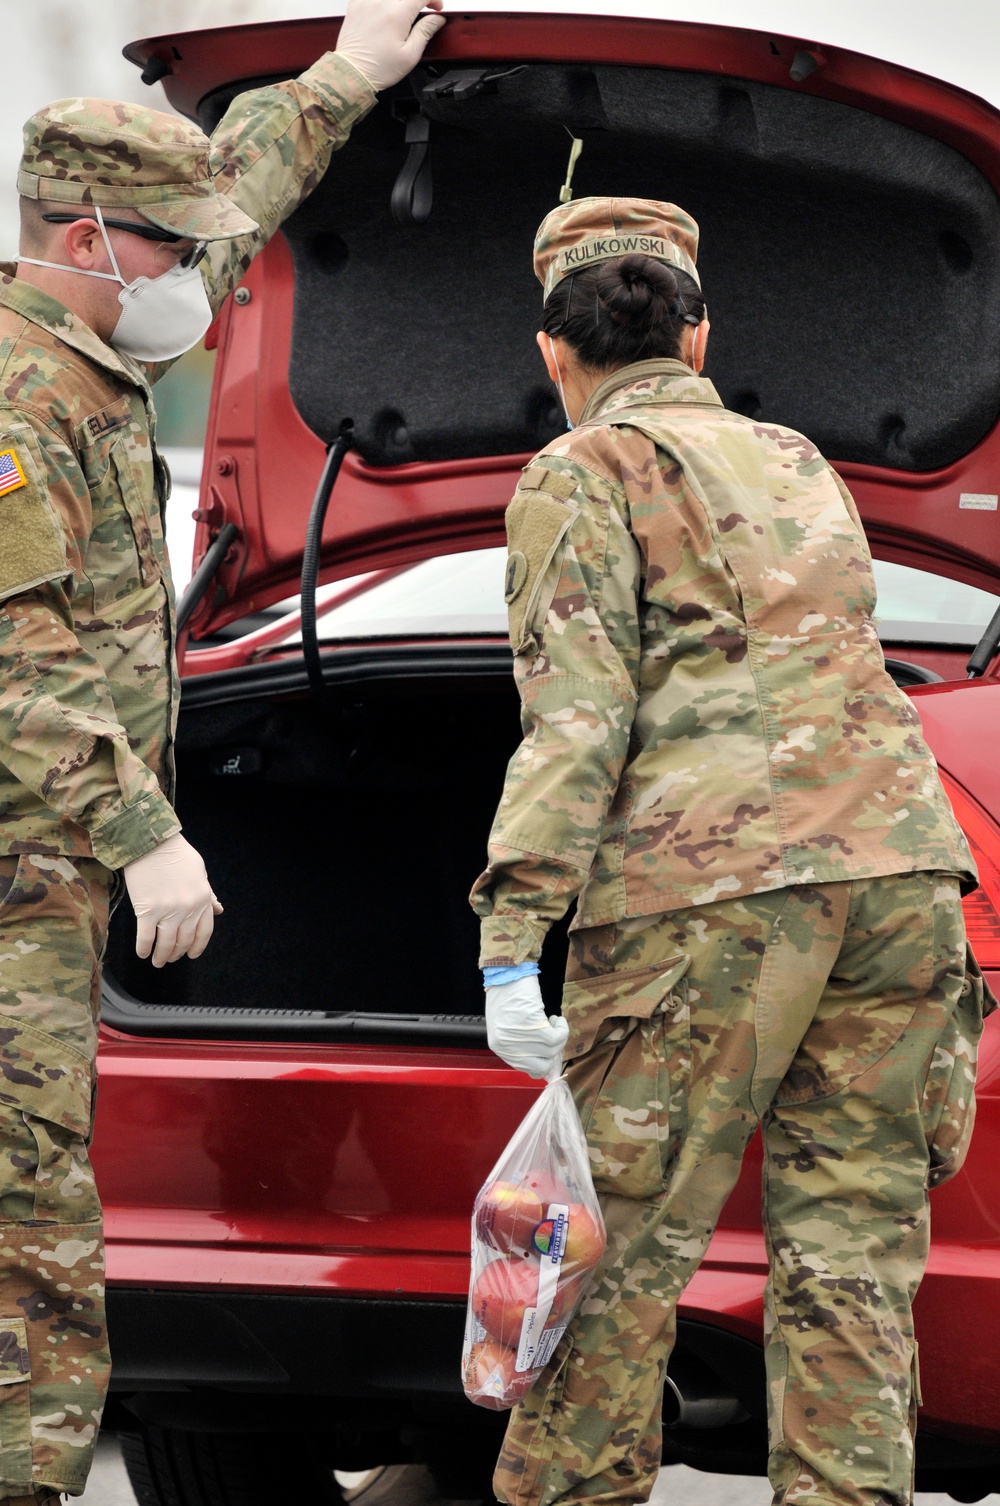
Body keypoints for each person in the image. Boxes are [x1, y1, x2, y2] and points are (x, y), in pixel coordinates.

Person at [471, 197, 991, 1506]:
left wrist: (509, 934)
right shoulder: (800, 459)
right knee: (857, 1250)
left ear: (553, 352)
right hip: (899, 880)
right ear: (697, 336)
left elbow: (578, 721)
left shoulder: (577, 471)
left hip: (705, 890)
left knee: (614, 1251)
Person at [0, 3, 445, 1499]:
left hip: (46, 866)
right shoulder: (17, 391)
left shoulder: (92, 326)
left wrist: (343, 80)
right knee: (24, 1219)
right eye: (175, 254)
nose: (203, 274)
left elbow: (234, 193)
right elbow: (17, 654)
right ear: (81, 242)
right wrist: (146, 829)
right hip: (25, 858)